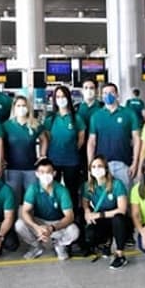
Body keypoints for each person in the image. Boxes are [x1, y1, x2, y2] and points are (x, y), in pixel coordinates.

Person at [88, 82, 141, 246]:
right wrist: (91, 165)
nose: (108, 95)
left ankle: (127, 233)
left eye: (111, 92)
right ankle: (108, 233)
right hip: (102, 167)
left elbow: (137, 139)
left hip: (123, 164)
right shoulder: (96, 116)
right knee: (105, 199)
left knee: (125, 200)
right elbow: (91, 141)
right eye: (104, 93)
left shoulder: (128, 114)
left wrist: (135, 163)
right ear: (101, 96)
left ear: (117, 94)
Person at [15, 158, 80, 261]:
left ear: (54, 173)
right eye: (42, 172)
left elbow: (70, 216)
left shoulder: (62, 190)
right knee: (19, 224)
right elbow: (25, 211)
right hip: (39, 222)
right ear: (36, 174)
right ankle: (36, 246)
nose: (45, 175)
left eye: (48, 172)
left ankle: (59, 245)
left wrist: (52, 228)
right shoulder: (33, 188)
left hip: (57, 224)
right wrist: (36, 227)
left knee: (74, 231)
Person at [44, 85, 85, 223]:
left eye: (63, 96)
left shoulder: (76, 118)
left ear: (69, 98)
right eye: (58, 97)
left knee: (72, 191)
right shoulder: (50, 119)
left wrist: (72, 149)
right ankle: (54, 216)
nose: (61, 99)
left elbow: (81, 138)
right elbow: (47, 138)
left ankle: (72, 219)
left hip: (71, 161)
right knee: (52, 190)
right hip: (54, 160)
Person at [81, 155, 129, 270]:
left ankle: (120, 254)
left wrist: (99, 215)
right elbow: (85, 203)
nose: (96, 169)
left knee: (119, 219)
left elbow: (122, 209)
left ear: (106, 168)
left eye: (99, 166)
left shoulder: (117, 184)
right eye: (93, 167)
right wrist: (87, 212)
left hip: (115, 217)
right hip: (101, 218)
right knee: (89, 234)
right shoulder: (88, 186)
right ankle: (105, 243)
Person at [3, 96, 47, 206]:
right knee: (14, 201)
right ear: (14, 108)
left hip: (31, 169)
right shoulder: (7, 125)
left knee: (31, 201)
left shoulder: (35, 125)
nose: (21, 108)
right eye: (18, 105)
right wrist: (1, 158)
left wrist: (42, 155)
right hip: (12, 169)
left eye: (24, 105)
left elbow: (44, 139)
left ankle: (31, 222)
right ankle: (15, 222)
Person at [76, 79, 104, 178]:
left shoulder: (102, 107)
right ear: (82, 91)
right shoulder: (76, 108)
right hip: (80, 150)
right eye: (86, 88)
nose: (89, 90)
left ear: (96, 90)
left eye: (92, 88)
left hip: (99, 148)